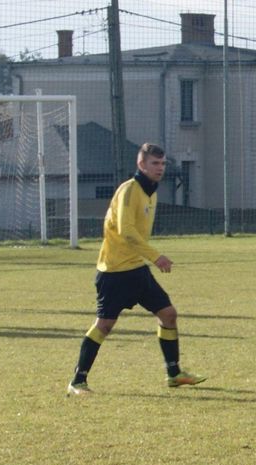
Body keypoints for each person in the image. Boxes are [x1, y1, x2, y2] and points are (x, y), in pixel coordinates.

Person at [67, 143, 205, 395]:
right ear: (141, 165)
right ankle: (78, 381)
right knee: (104, 325)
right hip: (114, 271)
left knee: (168, 314)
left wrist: (148, 258)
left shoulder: (151, 192)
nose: (160, 168)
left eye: (163, 164)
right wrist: (156, 256)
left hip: (137, 269)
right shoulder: (129, 190)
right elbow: (126, 231)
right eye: (155, 163)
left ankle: (174, 374)